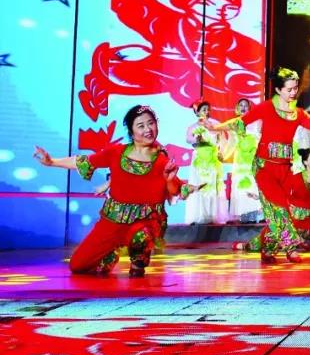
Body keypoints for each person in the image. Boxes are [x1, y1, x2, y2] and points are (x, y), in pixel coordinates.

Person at [33, 105, 197, 276]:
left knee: (141, 236)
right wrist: (52, 161)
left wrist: (170, 180)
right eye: (141, 126)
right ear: (131, 132)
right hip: (113, 220)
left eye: (151, 123)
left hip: (144, 223)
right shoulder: (116, 152)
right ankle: (110, 255)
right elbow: (85, 161)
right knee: (77, 265)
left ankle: (138, 261)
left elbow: (175, 190)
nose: (148, 129)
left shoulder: (162, 161)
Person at [211, 67, 310, 263]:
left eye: (295, 88)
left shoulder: (298, 114)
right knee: (279, 208)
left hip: (285, 169)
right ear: (279, 90)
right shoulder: (266, 108)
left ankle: (268, 250)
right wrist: (216, 127)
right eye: (289, 89)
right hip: (264, 168)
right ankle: (291, 248)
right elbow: (240, 122)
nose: (293, 92)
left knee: (282, 211)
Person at [235, 147, 310, 254]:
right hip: (290, 218)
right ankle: (246, 246)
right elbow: (278, 193)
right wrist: (259, 197)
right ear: (305, 162)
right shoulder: (295, 178)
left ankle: (297, 241)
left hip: (307, 220)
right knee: (270, 236)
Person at [184, 101, 228, 224]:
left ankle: (212, 215)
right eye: (203, 109)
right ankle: (199, 215)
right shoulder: (193, 127)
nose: (206, 112)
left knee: (212, 186)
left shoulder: (215, 124)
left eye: (208, 109)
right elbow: (188, 139)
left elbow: (222, 140)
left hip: (212, 160)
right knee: (200, 186)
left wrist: (221, 151)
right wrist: (196, 139)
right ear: (197, 112)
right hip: (199, 161)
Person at [227, 98, 262, 223]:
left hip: (252, 157)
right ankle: (242, 214)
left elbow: (262, 139)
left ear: (249, 108)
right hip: (240, 160)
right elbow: (231, 143)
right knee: (240, 184)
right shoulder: (235, 123)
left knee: (253, 183)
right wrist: (223, 154)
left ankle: (255, 214)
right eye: (240, 105)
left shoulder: (257, 121)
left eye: (245, 105)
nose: (243, 107)